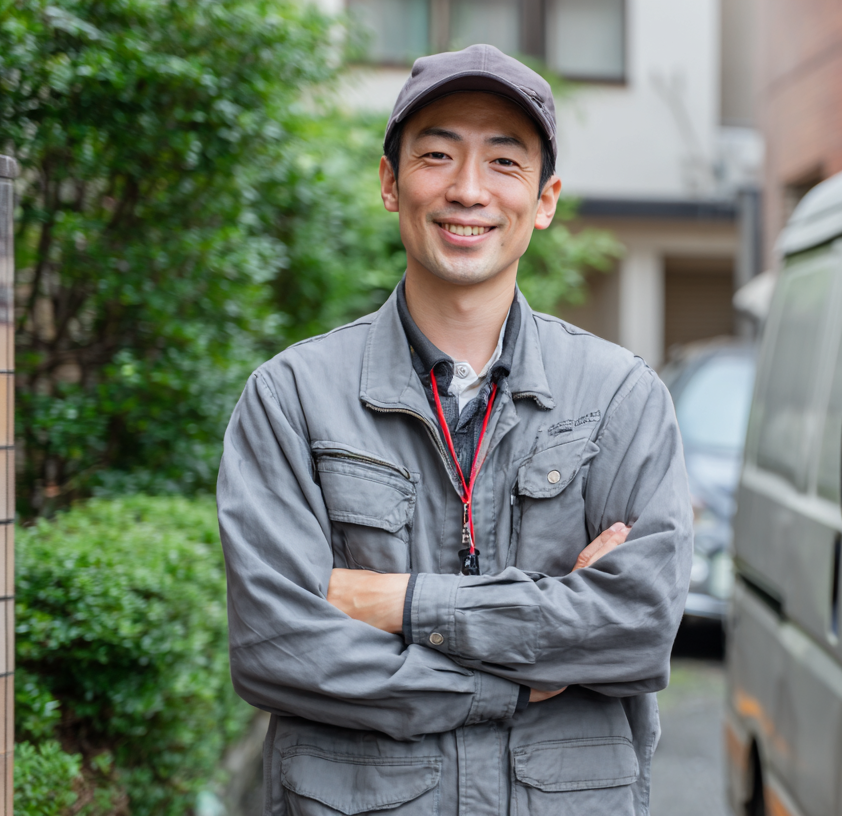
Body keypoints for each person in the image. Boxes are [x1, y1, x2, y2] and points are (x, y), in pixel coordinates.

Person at [215, 44, 693, 815]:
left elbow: (637, 628)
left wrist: (401, 605)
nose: (468, 190)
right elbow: (278, 648)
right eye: (437, 155)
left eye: (504, 163)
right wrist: (515, 675)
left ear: (544, 200)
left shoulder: (619, 398)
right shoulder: (293, 396)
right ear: (390, 183)